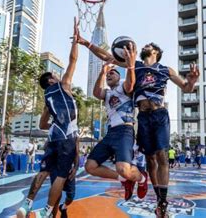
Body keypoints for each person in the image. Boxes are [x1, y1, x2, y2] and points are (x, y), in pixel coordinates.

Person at [77, 34, 199, 216]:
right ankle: (153, 191)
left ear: (156, 52)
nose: (145, 45)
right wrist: (86, 42)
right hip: (142, 117)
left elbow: (186, 88)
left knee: (162, 157)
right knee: (150, 159)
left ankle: (162, 203)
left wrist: (192, 80)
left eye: (149, 44)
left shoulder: (167, 70)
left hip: (159, 114)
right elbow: (106, 56)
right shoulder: (136, 65)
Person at [17, 18, 80, 218]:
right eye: (55, 74)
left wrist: (55, 121)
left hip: (53, 138)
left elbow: (42, 124)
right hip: (66, 137)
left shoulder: (46, 98)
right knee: (60, 176)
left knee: (43, 172)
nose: (58, 74)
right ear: (52, 80)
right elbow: (73, 60)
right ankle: (46, 211)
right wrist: (75, 40)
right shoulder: (64, 86)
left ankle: (26, 205)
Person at [85, 55, 148, 201]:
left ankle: (142, 179)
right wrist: (102, 72)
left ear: (120, 77)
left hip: (125, 131)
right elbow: (96, 92)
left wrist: (130, 66)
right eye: (108, 74)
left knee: (123, 168)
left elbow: (131, 82)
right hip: (110, 132)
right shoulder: (106, 93)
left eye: (112, 72)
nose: (109, 74)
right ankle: (124, 180)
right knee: (90, 166)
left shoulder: (124, 87)